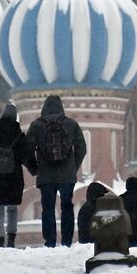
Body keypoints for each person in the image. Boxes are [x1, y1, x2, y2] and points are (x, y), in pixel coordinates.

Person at [25, 94, 86, 247]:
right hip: (66, 175)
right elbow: (82, 148)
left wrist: (34, 169)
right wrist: (73, 167)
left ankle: (50, 241)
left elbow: (26, 150)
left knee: (48, 208)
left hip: (46, 175)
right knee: (67, 206)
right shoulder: (71, 124)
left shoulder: (37, 125)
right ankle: (66, 241)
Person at [0, 102, 35, 249]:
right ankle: (11, 238)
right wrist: (35, 169)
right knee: (12, 209)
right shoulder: (19, 135)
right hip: (13, 177)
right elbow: (26, 157)